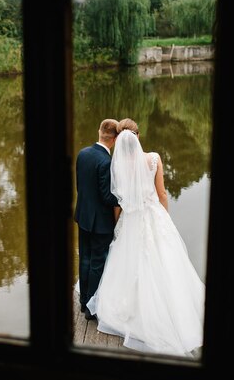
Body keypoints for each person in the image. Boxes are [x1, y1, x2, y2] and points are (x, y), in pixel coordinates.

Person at [86, 118, 205, 357]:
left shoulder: (117, 165)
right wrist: (164, 218)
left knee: (130, 263)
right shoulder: (153, 159)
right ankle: (173, 314)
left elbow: (118, 203)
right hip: (153, 216)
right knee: (166, 263)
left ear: (120, 139)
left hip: (132, 219)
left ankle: (133, 311)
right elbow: (161, 194)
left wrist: (118, 225)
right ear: (138, 136)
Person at [74, 119, 121, 320]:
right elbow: (107, 197)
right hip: (101, 222)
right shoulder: (106, 162)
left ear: (99, 131)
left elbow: (80, 186)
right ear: (115, 139)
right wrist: (123, 196)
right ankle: (91, 309)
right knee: (97, 263)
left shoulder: (83, 154)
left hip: (83, 216)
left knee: (84, 257)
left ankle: (84, 300)